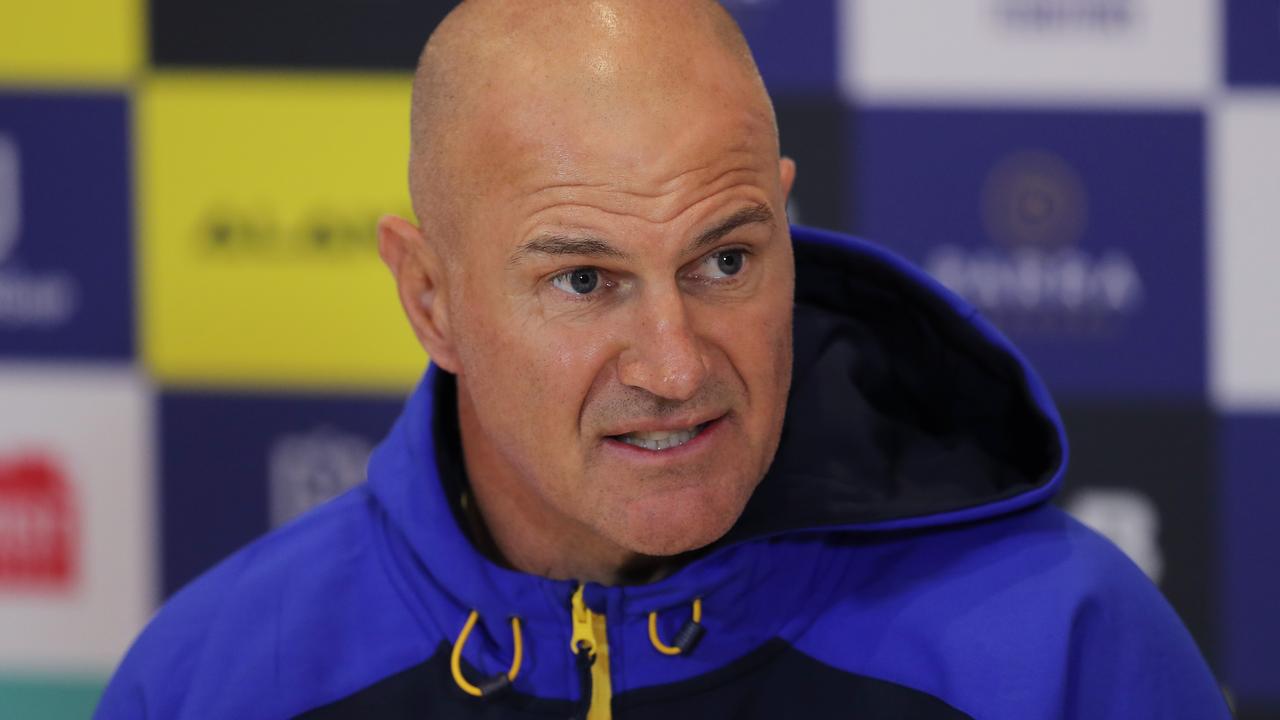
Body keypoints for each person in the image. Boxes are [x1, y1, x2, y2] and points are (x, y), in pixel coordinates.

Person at [96, 1, 1230, 717]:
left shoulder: (1060, 647)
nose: (677, 368)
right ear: (429, 297)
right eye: (583, 281)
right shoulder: (214, 681)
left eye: (724, 261)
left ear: (783, 225)